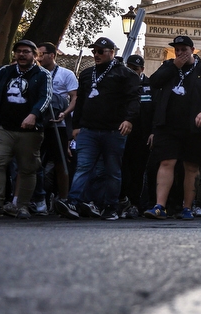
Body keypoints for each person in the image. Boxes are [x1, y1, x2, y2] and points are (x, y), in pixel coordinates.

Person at [57, 37, 140, 221]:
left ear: (112, 52)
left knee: (112, 170)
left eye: (100, 51)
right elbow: (80, 101)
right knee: (83, 166)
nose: (96, 55)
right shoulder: (87, 74)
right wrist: (76, 126)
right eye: (94, 51)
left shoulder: (126, 74)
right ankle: (73, 201)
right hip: (88, 129)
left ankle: (111, 206)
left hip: (114, 130)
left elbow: (133, 99)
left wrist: (129, 120)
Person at [144, 36, 201, 220]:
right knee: (166, 162)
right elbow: (153, 82)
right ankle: (159, 206)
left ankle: (187, 207)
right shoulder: (168, 66)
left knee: (191, 166)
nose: (179, 53)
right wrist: (174, 67)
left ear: (192, 50)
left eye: (183, 49)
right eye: (177, 49)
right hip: (169, 126)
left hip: (195, 127)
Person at [0, 40, 51, 218]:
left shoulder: (42, 74)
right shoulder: (5, 72)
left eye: (26, 52)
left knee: (27, 168)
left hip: (30, 131)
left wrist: (34, 114)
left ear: (35, 55)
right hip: (4, 127)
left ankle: (22, 206)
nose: (21, 55)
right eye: (18, 51)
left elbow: (45, 98)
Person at [31, 42, 78, 215]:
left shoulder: (67, 74)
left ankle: (64, 199)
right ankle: (35, 198)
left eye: (42, 54)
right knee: (34, 162)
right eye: (37, 54)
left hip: (59, 124)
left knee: (61, 161)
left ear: (52, 55)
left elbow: (74, 97)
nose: (39, 57)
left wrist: (65, 113)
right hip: (38, 123)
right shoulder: (34, 74)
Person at [119, 54, 153, 217]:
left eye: (135, 69)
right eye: (129, 68)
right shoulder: (121, 84)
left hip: (142, 135)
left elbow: (153, 111)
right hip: (123, 133)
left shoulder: (150, 86)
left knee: (138, 170)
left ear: (142, 70)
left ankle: (135, 202)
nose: (132, 72)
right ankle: (121, 200)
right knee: (122, 168)